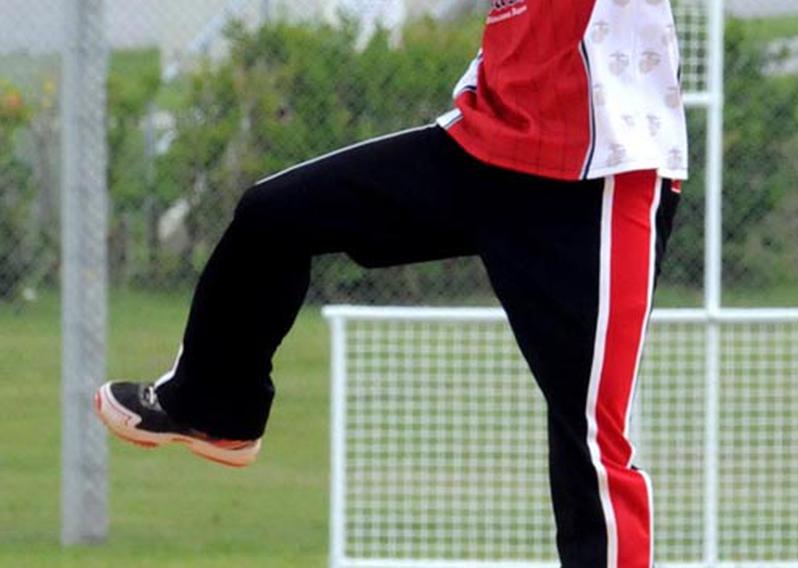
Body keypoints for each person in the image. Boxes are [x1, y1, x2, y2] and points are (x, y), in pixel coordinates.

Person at [94, 1, 687, 566]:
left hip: (598, 175)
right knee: (273, 216)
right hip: (481, 148)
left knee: (590, 442)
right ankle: (213, 407)